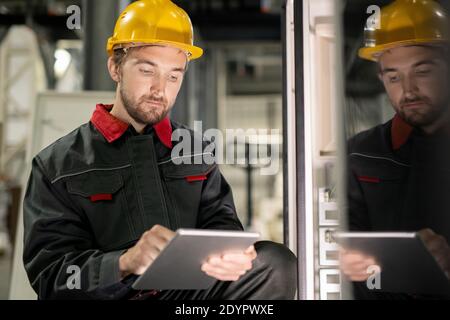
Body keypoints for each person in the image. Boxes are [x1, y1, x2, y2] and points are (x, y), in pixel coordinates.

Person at [22, 0, 296, 300]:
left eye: (173, 76)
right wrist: (123, 263)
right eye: (147, 70)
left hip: (187, 301)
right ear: (115, 67)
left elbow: (222, 225)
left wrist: (227, 256)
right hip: (112, 296)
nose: (160, 89)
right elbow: (51, 277)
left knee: (276, 263)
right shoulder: (56, 165)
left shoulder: (196, 152)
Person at [342, 0, 450, 299]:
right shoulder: (360, 155)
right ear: (381, 79)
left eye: (423, 71)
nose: (408, 89)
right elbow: (337, 239)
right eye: (393, 77)